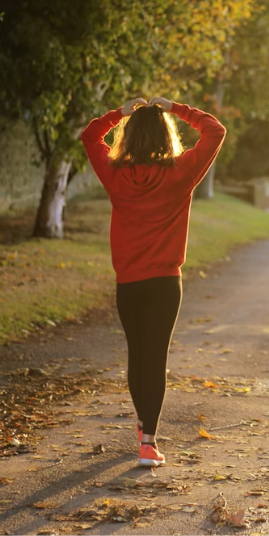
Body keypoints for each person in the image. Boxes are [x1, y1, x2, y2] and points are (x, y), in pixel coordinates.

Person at [81, 96, 226, 467]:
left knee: (137, 355)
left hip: (129, 282)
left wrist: (120, 114)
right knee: (155, 357)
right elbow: (215, 130)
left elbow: (89, 135)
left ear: (129, 137)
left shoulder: (114, 174)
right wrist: (175, 108)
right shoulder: (181, 172)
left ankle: (145, 426)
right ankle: (148, 441)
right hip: (165, 283)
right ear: (166, 137)